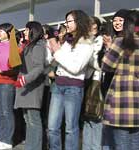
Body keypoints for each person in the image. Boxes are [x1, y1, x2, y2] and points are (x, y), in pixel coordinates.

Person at [47, 10, 93, 150]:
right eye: (66, 21)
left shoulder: (87, 43)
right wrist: (52, 51)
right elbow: (56, 62)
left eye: (69, 21)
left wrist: (57, 51)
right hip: (58, 85)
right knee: (52, 127)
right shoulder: (67, 41)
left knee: (70, 128)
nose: (66, 24)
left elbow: (75, 67)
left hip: (73, 88)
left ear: (78, 22)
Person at [101, 10, 139, 150]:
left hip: (121, 102)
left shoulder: (121, 42)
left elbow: (106, 65)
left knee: (121, 144)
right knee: (135, 143)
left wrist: (108, 49)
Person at [14, 21, 46, 150]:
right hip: (25, 88)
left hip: (32, 88)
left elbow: (39, 68)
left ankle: (35, 147)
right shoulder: (28, 46)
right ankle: (29, 146)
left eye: (27, 30)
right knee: (28, 120)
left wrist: (24, 80)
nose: (24, 32)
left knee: (34, 121)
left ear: (34, 31)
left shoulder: (38, 45)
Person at [0, 23, 17, 150]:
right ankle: (1, 137)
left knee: (7, 112)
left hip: (7, 82)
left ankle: (8, 140)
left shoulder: (14, 47)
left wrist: (4, 70)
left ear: (8, 33)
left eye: (2, 31)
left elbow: (15, 68)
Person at [82, 16, 104, 150]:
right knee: (86, 118)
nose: (91, 27)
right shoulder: (84, 40)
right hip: (84, 80)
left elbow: (99, 62)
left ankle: (95, 147)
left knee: (95, 116)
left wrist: (86, 60)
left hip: (96, 80)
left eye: (93, 24)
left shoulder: (101, 40)